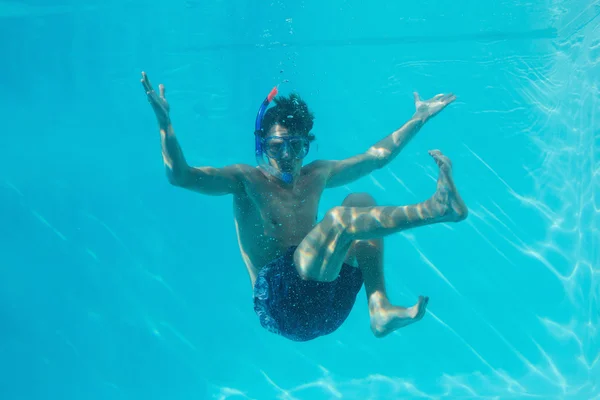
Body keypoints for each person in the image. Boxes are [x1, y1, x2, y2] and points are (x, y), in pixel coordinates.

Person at [140, 71, 468, 342]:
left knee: (361, 201)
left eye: (296, 147)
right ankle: (436, 209)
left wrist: (419, 117)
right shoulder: (245, 180)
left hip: (330, 301)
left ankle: (379, 308)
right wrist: (164, 123)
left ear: (306, 146)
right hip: (283, 306)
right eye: (276, 146)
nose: (286, 156)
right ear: (262, 145)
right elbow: (180, 176)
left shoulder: (317, 174)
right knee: (341, 220)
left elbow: (375, 158)